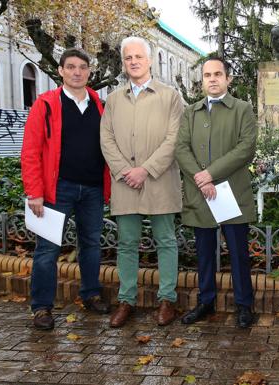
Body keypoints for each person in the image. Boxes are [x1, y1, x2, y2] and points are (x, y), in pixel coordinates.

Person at [21, 48, 111, 330]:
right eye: (70, 67)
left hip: (93, 189)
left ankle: (91, 294)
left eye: (82, 67)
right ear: (60, 71)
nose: (76, 72)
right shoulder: (46, 104)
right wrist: (34, 191)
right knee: (47, 249)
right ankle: (42, 307)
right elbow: (31, 151)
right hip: (56, 189)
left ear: (88, 72)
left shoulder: (99, 105)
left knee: (91, 245)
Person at [100, 36, 184, 328]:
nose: (133, 61)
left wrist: (145, 169)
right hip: (125, 182)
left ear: (150, 60)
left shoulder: (170, 96)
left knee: (166, 240)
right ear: (123, 63)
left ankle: (167, 300)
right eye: (128, 58)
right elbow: (106, 139)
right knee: (126, 243)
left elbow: (175, 139)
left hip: (159, 179)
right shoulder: (113, 99)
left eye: (139, 56)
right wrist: (126, 171)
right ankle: (126, 300)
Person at [176, 57, 258, 329]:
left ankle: (244, 305)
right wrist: (202, 180)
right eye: (207, 75)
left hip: (232, 194)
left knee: (238, 254)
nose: (212, 79)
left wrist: (210, 174)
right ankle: (206, 301)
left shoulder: (242, 109)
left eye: (218, 74)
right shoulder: (191, 112)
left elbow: (245, 148)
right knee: (204, 254)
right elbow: (181, 148)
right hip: (201, 194)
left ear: (228, 79)